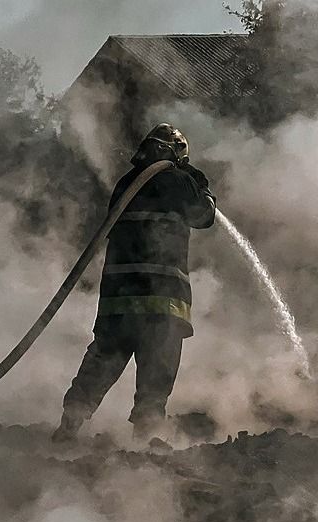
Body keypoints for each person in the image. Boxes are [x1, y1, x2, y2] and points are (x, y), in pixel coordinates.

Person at [52, 123, 216, 442]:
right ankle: (147, 439)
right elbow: (204, 216)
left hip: (118, 298)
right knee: (158, 367)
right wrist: (201, 183)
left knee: (104, 359)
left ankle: (69, 425)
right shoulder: (179, 181)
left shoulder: (127, 182)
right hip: (162, 298)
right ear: (177, 154)